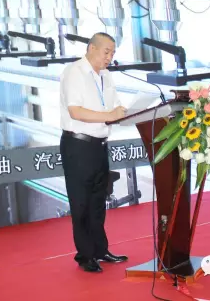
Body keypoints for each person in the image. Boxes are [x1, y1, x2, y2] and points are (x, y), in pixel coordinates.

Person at [59, 32, 129, 273]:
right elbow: (76, 111)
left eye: (113, 53)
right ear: (91, 48)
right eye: (106, 52)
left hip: (100, 144)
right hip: (78, 145)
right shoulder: (74, 72)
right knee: (81, 202)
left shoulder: (106, 76)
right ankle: (85, 255)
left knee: (98, 202)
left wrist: (124, 112)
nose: (109, 57)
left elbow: (113, 107)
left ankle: (100, 250)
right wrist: (110, 115)